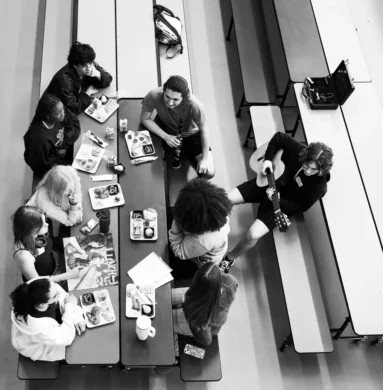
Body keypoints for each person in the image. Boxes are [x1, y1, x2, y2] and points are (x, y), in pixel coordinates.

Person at [219, 132, 333, 273]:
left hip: (279, 204)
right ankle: (215, 229)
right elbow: (279, 137)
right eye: (306, 165)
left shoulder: (319, 187)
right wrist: (267, 159)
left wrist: (279, 200)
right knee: (225, 200)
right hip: (268, 182)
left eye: (313, 169)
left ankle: (229, 258)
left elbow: (301, 207)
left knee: (252, 235)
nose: (308, 171)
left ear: (322, 170)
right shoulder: (300, 150)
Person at [156, 263, 238, 374]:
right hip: (198, 304)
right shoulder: (226, 281)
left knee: (162, 322)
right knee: (163, 296)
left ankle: (175, 360)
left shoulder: (203, 319)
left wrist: (197, 327)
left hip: (198, 328)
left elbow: (207, 340)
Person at [140, 75, 215, 178]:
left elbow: (204, 129)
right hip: (166, 130)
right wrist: (166, 136)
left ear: (184, 97)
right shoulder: (153, 95)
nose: (170, 103)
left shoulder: (194, 104)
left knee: (209, 172)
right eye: (167, 97)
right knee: (155, 169)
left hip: (192, 135)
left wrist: (205, 159)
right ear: (163, 90)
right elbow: (145, 119)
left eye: (175, 99)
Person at [10, 277, 86, 361]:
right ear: (42, 304)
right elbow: (67, 337)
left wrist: (77, 318)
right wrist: (70, 306)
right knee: (80, 348)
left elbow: (63, 296)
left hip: (50, 331)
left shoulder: (37, 286)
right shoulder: (38, 326)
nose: (58, 294)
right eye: (55, 295)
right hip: (41, 345)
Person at [169, 178, 231, 267]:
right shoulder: (218, 210)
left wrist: (175, 229)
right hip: (212, 245)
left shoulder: (202, 240)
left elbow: (179, 251)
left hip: (202, 261)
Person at [12, 205, 82, 283]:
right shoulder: (23, 255)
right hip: (51, 279)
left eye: (45, 221)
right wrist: (68, 275)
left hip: (57, 262)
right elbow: (37, 282)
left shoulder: (35, 235)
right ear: (31, 230)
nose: (47, 224)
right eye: (43, 224)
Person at [43, 41, 114, 117]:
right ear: (75, 65)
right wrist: (87, 94)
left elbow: (108, 79)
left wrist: (97, 74)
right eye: (84, 66)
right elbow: (73, 108)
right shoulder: (64, 80)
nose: (89, 68)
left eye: (90, 63)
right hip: (51, 113)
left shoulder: (88, 62)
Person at [23, 94, 79, 179]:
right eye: (58, 113)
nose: (63, 114)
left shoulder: (58, 113)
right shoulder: (39, 140)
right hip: (51, 169)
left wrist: (65, 148)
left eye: (63, 110)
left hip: (59, 152)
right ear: (47, 116)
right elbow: (42, 167)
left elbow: (73, 120)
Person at [27, 165, 83, 237]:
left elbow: (77, 180)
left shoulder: (69, 172)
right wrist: (74, 203)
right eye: (68, 190)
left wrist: (76, 197)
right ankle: (55, 238)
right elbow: (70, 221)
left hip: (58, 202)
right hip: (38, 219)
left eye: (73, 187)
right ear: (57, 192)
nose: (73, 191)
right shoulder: (46, 205)